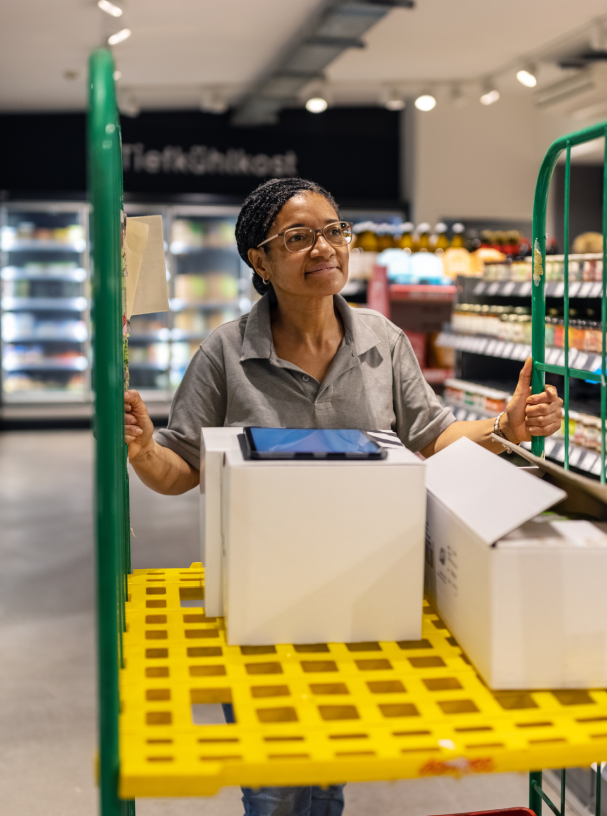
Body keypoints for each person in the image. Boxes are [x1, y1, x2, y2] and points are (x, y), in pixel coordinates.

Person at [123, 177, 562, 816]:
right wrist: (143, 451)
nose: (324, 247)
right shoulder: (225, 353)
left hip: (360, 592)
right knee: (274, 788)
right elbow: (181, 467)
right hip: (259, 600)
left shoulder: (383, 341)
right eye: (298, 237)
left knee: (329, 772)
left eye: (334, 231)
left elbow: (433, 436)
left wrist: (506, 426)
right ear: (261, 261)